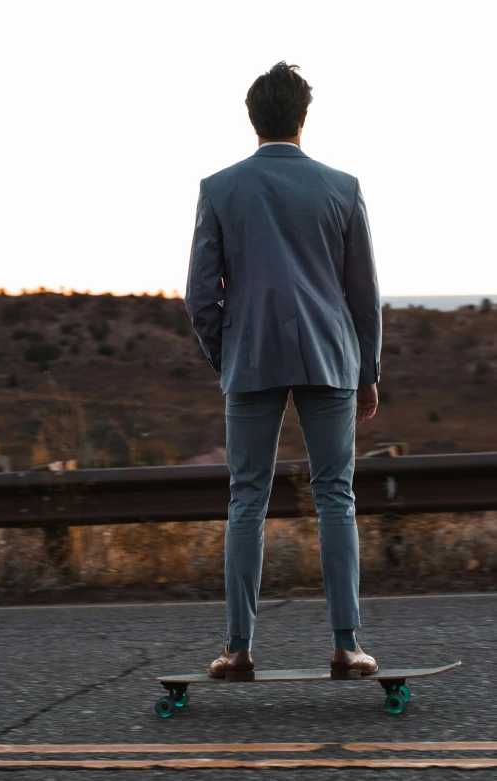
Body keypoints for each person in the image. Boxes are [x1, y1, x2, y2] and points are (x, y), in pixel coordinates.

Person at [184, 60, 382, 681]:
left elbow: (199, 296)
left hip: (251, 358)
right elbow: (362, 294)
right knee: (336, 498)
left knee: (247, 497)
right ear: (303, 116)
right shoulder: (342, 187)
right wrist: (368, 370)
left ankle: (238, 651)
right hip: (330, 358)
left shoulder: (220, 188)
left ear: (253, 117)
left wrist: (229, 351)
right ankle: (347, 647)